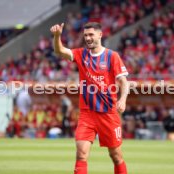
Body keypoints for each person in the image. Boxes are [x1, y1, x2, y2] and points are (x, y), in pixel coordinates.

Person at [50, 22, 129, 174]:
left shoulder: (112, 56)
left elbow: (123, 81)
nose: (88, 38)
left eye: (91, 34)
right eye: (86, 35)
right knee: (81, 154)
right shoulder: (81, 54)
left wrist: (123, 99)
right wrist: (57, 36)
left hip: (108, 113)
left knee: (116, 156)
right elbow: (59, 51)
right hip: (87, 114)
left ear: (100, 35)